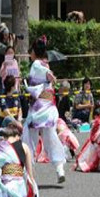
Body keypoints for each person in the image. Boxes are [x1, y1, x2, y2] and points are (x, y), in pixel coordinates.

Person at [22, 36, 66, 183]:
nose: (30, 54)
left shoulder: (36, 64)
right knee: (50, 137)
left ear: (34, 52)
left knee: (28, 136)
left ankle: (26, 172)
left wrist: (48, 75)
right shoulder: (45, 63)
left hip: (38, 109)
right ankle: (60, 168)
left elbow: (41, 72)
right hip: (48, 107)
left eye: (31, 51)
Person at [0, 118, 44, 197]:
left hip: (5, 182)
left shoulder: (0, 147)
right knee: (31, 182)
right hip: (18, 181)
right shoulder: (24, 147)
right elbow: (30, 175)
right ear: (18, 136)